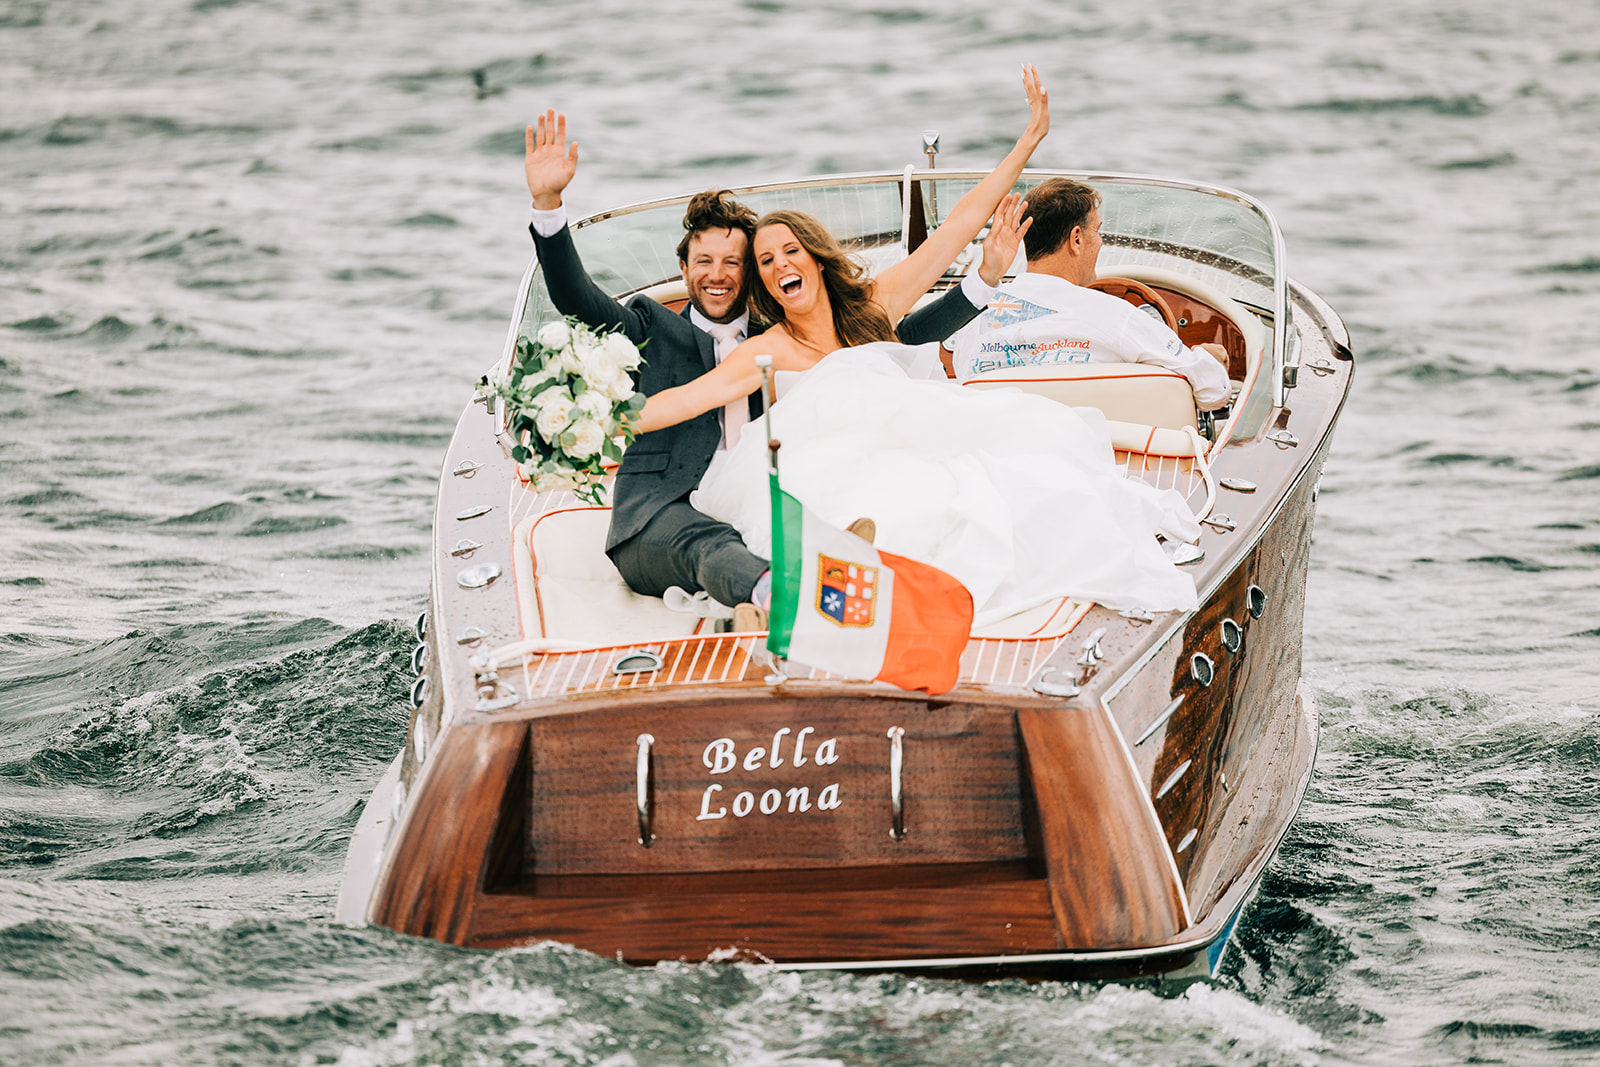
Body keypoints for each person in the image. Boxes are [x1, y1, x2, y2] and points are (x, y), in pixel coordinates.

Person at [633, 68, 1203, 626]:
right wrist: (579, 421)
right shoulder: (769, 348)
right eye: (766, 261)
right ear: (763, 281)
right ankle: (838, 589)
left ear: (813, 256)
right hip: (816, 469)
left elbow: (958, 225)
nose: (781, 264)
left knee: (1011, 490)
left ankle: (878, 582)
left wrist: (1028, 142)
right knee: (893, 512)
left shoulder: (874, 306)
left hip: (901, 446)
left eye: (790, 252)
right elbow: (683, 400)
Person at [521, 112, 1016, 614]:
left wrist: (981, 284)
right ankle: (787, 599)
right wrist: (548, 207)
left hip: (776, 492)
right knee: (717, 546)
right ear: (683, 268)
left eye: (733, 262)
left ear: (752, 273)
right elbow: (577, 299)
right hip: (665, 509)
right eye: (703, 262)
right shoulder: (649, 326)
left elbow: (878, 346)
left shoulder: (782, 332)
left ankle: (817, 591)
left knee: (898, 501)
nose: (717, 275)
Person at [941, 177, 1232, 411]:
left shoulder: (971, 322)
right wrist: (1205, 355)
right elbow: (1213, 391)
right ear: (1077, 239)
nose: (1101, 242)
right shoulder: (1115, 316)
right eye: (1097, 231)